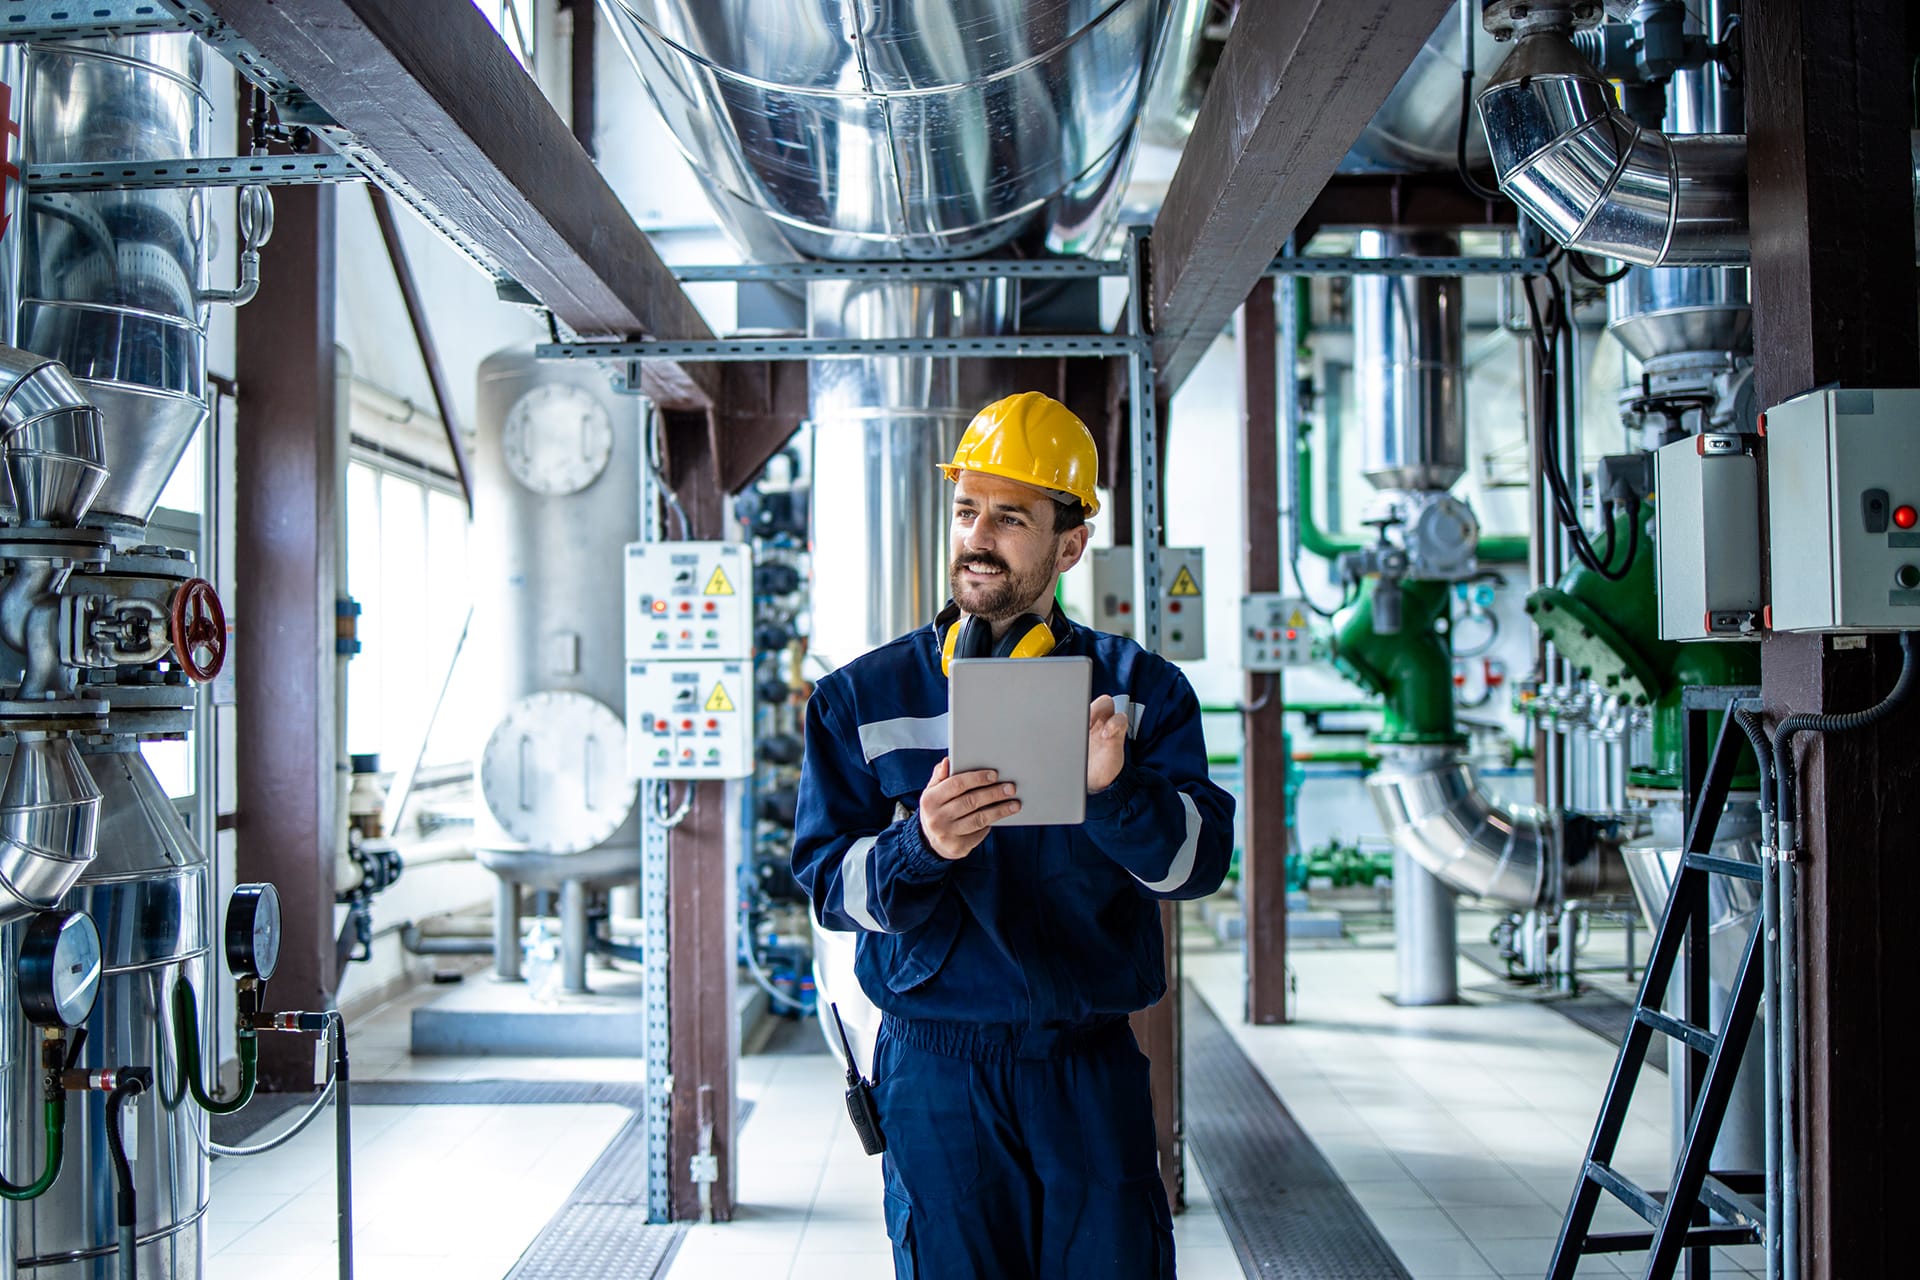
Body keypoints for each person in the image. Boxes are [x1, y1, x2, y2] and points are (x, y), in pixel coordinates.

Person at [792, 390, 1236, 1280]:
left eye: (1010, 517)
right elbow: (828, 891)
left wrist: (1112, 794)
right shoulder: (862, 699)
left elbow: (1197, 866)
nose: (978, 536)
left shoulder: (1139, 692)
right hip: (935, 1072)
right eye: (967, 510)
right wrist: (919, 847)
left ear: (1070, 545)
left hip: (1087, 1066)